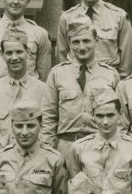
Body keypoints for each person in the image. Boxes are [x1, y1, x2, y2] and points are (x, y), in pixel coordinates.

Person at [41, 17, 120, 156]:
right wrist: (48, 152)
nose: (82, 47)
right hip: (66, 146)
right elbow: (49, 117)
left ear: (96, 41)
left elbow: (120, 119)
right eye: (76, 42)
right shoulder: (57, 74)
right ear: (69, 44)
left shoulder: (111, 75)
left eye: (86, 41)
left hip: (100, 146)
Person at [63, 89, 132, 194]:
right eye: (100, 116)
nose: (105, 122)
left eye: (110, 115)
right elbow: (74, 188)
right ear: (92, 116)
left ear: (120, 114)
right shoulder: (79, 148)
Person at [0, 101, 69, 194]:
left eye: (30, 126)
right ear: (12, 126)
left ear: (41, 126)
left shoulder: (54, 159)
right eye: (19, 126)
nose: (24, 132)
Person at [56, 0, 132, 77]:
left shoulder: (118, 16)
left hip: (108, 82)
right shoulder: (66, 18)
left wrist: (119, 84)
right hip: (76, 80)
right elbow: (62, 56)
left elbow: (127, 57)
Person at [0, 28, 49, 154]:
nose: (14, 57)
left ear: (28, 52)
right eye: (9, 53)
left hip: (34, 158)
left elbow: (47, 128)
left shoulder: (43, 90)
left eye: (19, 51)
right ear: (2, 55)